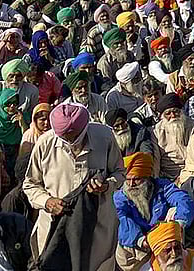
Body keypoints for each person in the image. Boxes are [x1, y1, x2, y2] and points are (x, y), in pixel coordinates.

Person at [22, 101, 124, 271]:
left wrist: (106, 186)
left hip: (97, 225)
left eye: (74, 136)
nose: (70, 141)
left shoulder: (104, 137)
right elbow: (30, 184)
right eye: (65, 138)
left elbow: (120, 173)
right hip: (56, 226)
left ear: (85, 128)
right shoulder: (45, 143)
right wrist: (47, 201)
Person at [114, 152, 194, 271]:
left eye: (136, 179)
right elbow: (123, 220)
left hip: (165, 241)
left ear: (147, 178)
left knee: (174, 211)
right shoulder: (121, 197)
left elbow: (183, 200)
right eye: (128, 180)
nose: (131, 184)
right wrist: (141, 240)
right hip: (139, 245)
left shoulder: (162, 187)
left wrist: (178, 225)